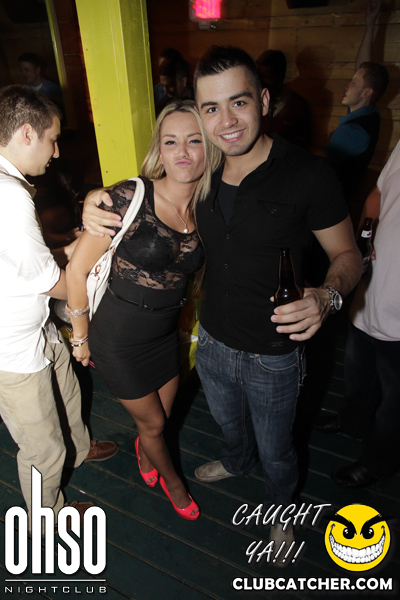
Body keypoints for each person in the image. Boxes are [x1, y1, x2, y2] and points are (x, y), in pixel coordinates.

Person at [81, 46, 362, 559]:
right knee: (229, 426)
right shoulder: (201, 177)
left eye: (239, 102)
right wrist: (94, 199)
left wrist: (328, 295)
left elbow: (348, 254)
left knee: (277, 449)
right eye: (212, 108)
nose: (226, 121)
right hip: (209, 341)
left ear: (265, 101)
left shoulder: (308, 175)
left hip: (273, 351)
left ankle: (280, 510)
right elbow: (149, 200)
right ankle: (236, 460)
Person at [66, 100, 222, 521]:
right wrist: (80, 338)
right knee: (154, 426)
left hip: (164, 334)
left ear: (209, 148)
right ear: (159, 149)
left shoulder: (209, 205)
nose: (182, 152)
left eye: (194, 141)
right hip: (117, 338)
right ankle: (175, 484)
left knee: (160, 419)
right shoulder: (129, 196)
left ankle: (144, 449)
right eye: (171, 142)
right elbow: (77, 270)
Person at [0, 84, 118, 530]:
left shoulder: (8, 184)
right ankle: (46, 518)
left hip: (34, 327)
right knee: (41, 446)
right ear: (26, 133)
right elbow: (58, 284)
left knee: (68, 393)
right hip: (11, 348)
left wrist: (68, 245)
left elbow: (19, 254)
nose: (56, 152)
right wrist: (91, 261)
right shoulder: (9, 195)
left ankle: (79, 450)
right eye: (52, 139)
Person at [314, 140, 400, 489]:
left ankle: (379, 462)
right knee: (359, 368)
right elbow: (379, 192)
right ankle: (353, 422)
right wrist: (368, 232)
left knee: (395, 402)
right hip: (374, 289)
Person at [322, 1, 388, 206]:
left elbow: (317, 164)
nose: (346, 85)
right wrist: (370, 24)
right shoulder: (370, 112)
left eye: (353, 82)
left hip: (330, 206)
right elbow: (363, 68)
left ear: (367, 93)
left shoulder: (353, 132)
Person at [256, 49, 312, 149]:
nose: (261, 82)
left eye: (266, 77)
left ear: (280, 77)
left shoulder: (298, 106)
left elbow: (305, 144)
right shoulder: (254, 101)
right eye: (259, 76)